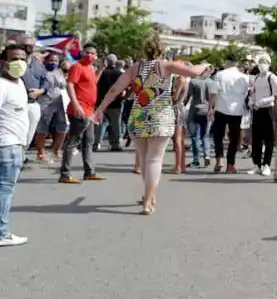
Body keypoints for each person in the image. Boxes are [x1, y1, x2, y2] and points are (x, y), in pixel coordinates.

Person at [92, 34, 209, 214]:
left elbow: (116, 88)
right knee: (155, 159)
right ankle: (148, 200)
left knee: (146, 159)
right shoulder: (167, 66)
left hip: (138, 115)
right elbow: (194, 72)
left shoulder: (135, 67)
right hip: (161, 116)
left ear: (145, 50)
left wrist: (100, 108)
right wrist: (206, 64)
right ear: (162, 49)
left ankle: (149, 196)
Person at [59, 43, 104, 184]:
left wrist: (101, 70)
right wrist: (76, 104)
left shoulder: (90, 68)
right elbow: (70, 84)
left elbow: (91, 83)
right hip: (80, 110)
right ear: (82, 53)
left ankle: (89, 172)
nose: (90, 55)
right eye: (87, 52)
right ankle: (65, 174)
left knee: (88, 141)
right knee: (73, 142)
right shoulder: (77, 67)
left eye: (93, 53)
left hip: (89, 110)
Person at [0, 44, 30, 246]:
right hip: (7, 146)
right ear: (4, 63)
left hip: (15, 144)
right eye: (14, 59)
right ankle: (2, 233)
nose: (19, 62)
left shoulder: (19, 83)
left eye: (22, 58)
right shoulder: (2, 85)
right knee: (5, 190)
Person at [208, 54, 250, 174]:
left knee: (218, 136)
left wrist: (210, 108)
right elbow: (247, 94)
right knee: (234, 139)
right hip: (236, 111)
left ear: (227, 62)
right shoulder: (244, 77)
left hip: (221, 109)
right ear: (237, 63)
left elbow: (214, 93)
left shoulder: (220, 75)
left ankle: (219, 160)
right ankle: (230, 165)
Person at [249, 56, 277, 176]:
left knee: (268, 139)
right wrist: (251, 101)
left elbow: (276, 95)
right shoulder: (256, 77)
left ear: (269, 64)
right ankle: (257, 164)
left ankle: (267, 164)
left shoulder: (272, 78)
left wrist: (261, 101)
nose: (262, 64)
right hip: (257, 110)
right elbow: (253, 93)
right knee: (256, 139)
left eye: (265, 62)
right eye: (260, 62)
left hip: (268, 110)